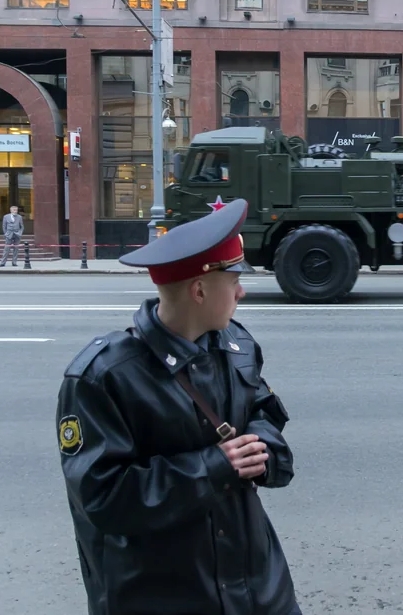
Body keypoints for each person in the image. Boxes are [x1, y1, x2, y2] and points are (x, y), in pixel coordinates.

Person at [55, 198, 301, 615]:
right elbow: (103, 500)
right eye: (234, 279)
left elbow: (263, 413)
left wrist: (262, 448)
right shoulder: (105, 376)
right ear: (200, 289)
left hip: (260, 589)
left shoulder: (236, 345)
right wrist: (215, 465)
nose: (242, 291)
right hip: (166, 596)